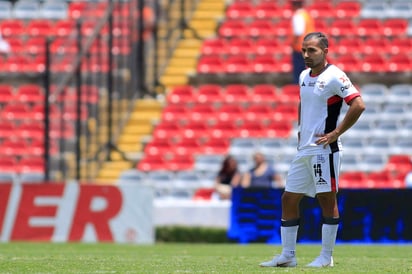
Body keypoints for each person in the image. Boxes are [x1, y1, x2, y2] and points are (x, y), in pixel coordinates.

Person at [260, 32, 365, 268]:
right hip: (304, 149)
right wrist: (300, 128)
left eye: (312, 50)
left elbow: (358, 104)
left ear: (325, 51)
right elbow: (303, 101)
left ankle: (326, 257)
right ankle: (288, 255)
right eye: (304, 50)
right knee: (289, 198)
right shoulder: (303, 75)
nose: (306, 55)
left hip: (323, 150)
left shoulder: (335, 76)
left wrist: (336, 133)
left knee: (326, 199)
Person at [290, 0, 314, 84]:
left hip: (299, 47)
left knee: (299, 73)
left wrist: (292, 44)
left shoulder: (298, 15)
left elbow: (298, 32)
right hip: (308, 46)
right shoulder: (306, 15)